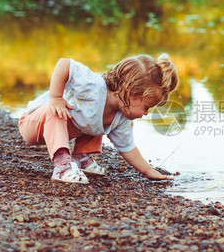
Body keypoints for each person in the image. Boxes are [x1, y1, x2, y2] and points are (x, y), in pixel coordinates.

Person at [18, 53, 178, 184]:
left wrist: (149, 171)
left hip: (64, 129)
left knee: (97, 120)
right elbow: (64, 64)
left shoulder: (121, 118)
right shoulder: (93, 86)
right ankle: (63, 167)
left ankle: (80, 157)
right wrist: (56, 97)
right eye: (146, 107)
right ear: (130, 91)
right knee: (58, 111)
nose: (146, 113)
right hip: (35, 124)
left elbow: (128, 147)